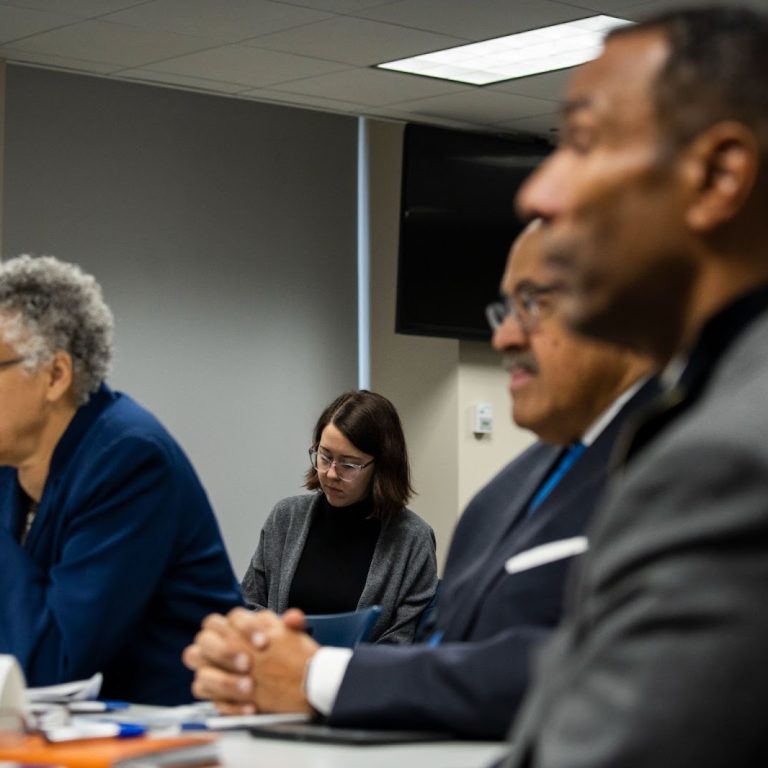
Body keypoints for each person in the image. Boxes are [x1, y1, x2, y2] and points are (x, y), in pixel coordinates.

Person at [181, 221, 656, 737]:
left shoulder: (678, 463)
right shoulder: (500, 495)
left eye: (533, 306)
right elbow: (445, 650)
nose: (503, 336)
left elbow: (583, 668)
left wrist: (315, 674)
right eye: (323, 456)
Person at [499, 6, 768, 766]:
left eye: (582, 144)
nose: (538, 196)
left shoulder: (729, 461)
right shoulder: (708, 403)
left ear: (718, 177)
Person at [0, 255, 243, 705]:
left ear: (55, 376)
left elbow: (53, 668)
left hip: (185, 738)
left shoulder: (127, 458)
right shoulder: (9, 468)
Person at [240, 390, 437, 644]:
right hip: (280, 672)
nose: (331, 473)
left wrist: (329, 670)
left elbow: (404, 639)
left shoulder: (413, 539)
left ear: (382, 467)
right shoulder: (285, 518)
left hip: (360, 681)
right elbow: (249, 604)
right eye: (325, 456)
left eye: (349, 464)